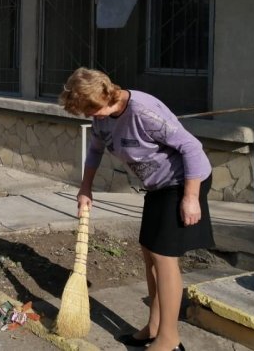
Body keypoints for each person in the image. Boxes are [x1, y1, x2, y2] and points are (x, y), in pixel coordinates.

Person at [60, 68, 213, 351]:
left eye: (91, 111)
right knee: (148, 253)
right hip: (157, 187)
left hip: (183, 181)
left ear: (104, 96)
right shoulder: (101, 119)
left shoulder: (143, 111)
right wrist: (85, 188)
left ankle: (169, 339)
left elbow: (192, 147)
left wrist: (190, 198)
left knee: (163, 256)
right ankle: (154, 326)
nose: (91, 118)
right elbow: (94, 150)